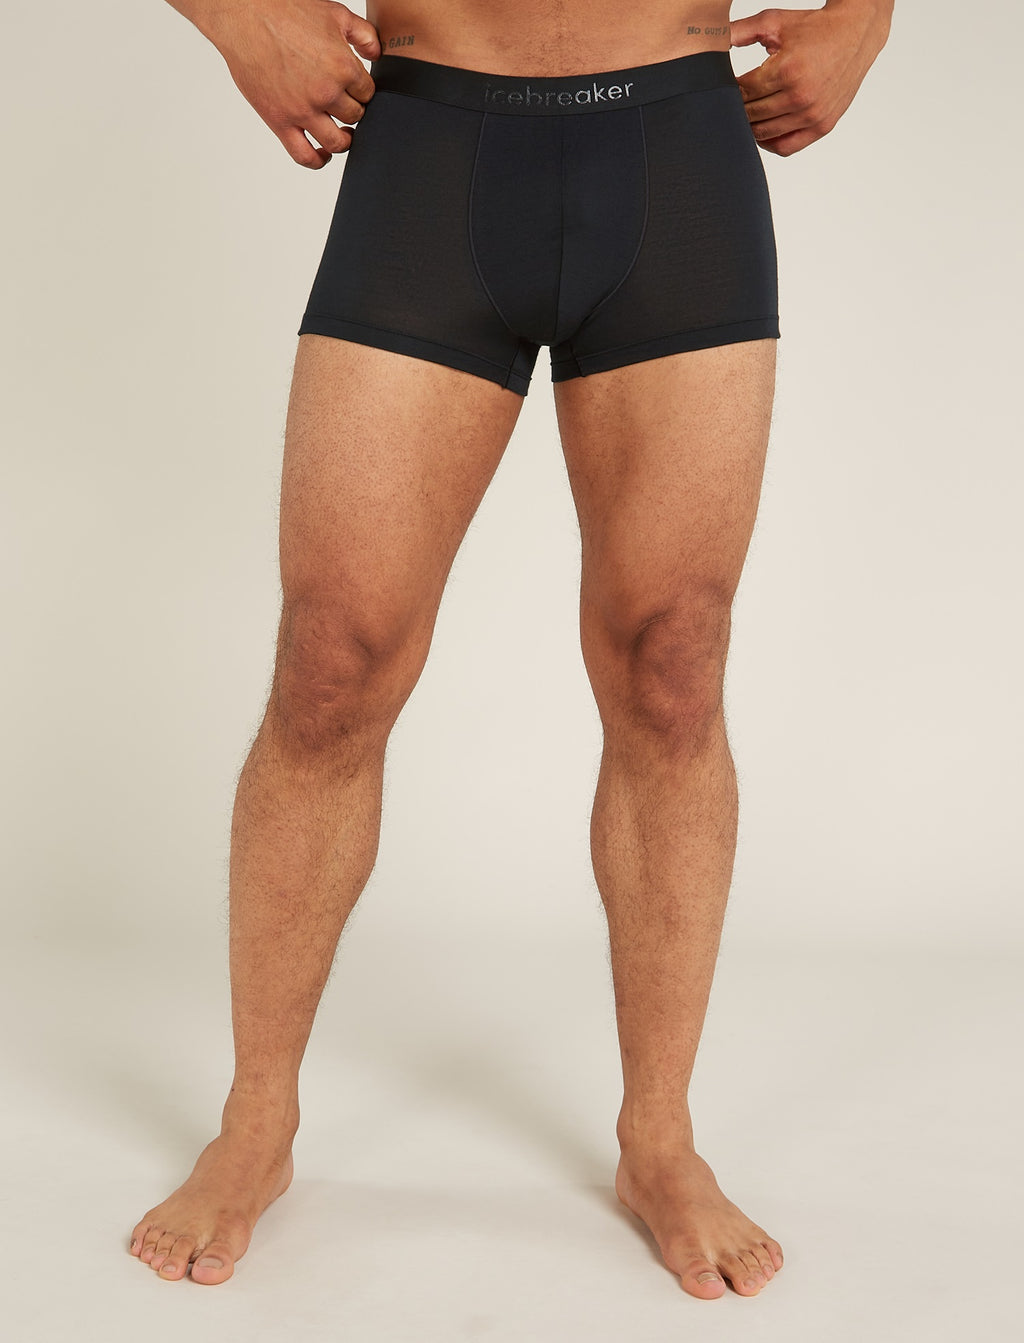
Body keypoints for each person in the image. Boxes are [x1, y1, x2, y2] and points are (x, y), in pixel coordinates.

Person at [129, 0, 893, 1298]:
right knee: (331, 662)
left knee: (672, 664)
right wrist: (237, 14)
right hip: (431, 142)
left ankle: (660, 1140)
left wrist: (869, 19)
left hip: (675, 147)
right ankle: (257, 1121)